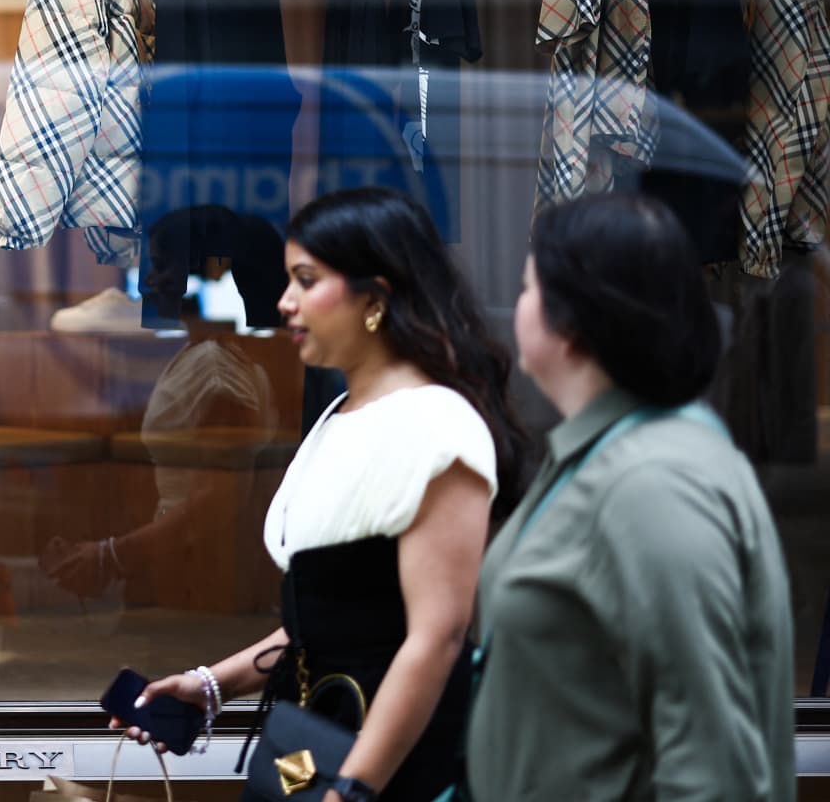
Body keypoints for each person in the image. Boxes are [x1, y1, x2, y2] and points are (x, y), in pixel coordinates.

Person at [113, 187, 530, 802]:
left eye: (306, 280)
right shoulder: (338, 414)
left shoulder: (438, 426)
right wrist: (209, 686)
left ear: (374, 297)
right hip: (316, 736)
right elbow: (330, 622)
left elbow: (435, 637)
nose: (285, 302)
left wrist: (355, 789)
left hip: (395, 763)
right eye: (287, 280)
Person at [466, 193, 795, 801]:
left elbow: (712, 772)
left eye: (528, 287)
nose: (516, 306)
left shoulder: (654, 485)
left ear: (575, 320)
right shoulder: (614, 453)